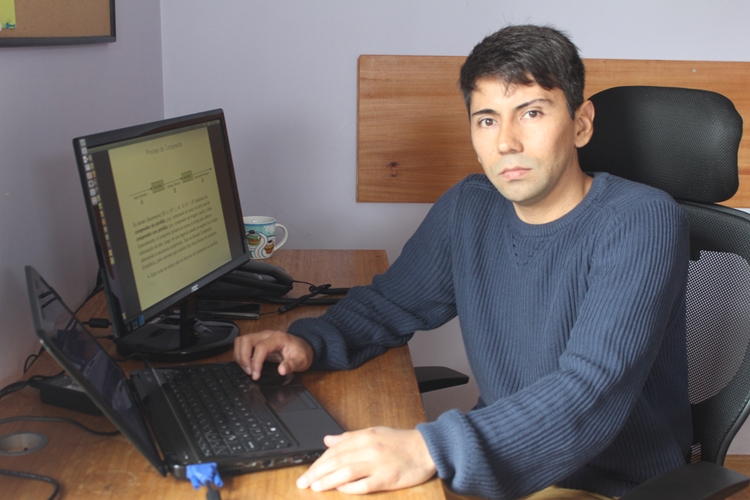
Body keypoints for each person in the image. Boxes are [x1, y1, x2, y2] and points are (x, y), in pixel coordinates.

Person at [234, 24, 692, 499]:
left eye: (531, 113)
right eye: (487, 120)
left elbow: (591, 391)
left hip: (607, 484)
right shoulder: (470, 207)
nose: (506, 142)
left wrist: (428, 448)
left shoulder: (640, 220)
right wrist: (310, 342)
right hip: (501, 468)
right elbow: (392, 303)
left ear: (581, 123)